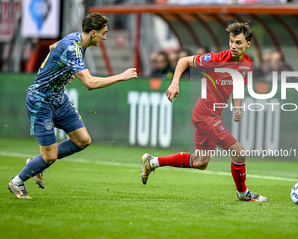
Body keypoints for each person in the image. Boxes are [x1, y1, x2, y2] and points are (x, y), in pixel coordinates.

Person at [8, 13, 138, 199]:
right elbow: (90, 84)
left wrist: (61, 70)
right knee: (50, 156)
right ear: (93, 33)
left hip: (58, 98)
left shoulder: (76, 38)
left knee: (83, 140)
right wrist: (121, 76)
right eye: (104, 33)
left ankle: (37, 163)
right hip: (40, 100)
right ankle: (17, 182)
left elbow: (54, 47)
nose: (105, 37)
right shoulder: (73, 48)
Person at [140, 21, 268, 202]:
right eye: (231, 41)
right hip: (204, 114)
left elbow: (238, 88)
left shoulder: (248, 64)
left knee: (200, 162)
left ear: (248, 44)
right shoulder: (216, 59)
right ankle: (242, 193)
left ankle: (152, 162)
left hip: (212, 115)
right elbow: (183, 60)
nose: (233, 46)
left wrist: (237, 107)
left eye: (238, 42)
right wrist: (175, 82)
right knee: (239, 152)